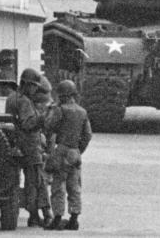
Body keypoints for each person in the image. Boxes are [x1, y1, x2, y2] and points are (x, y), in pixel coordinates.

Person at [43, 79, 92, 231]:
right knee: (74, 186)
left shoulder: (60, 110)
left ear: (62, 95)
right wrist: (78, 150)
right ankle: (74, 218)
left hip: (62, 149)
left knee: (58, 185)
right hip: (75, 152)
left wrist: (50, 111)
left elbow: (49, 126)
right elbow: (88, 134)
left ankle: (57, 218)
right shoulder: (82, 111)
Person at [7, 68, 49, 227]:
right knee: (36, 182)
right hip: (30, 146)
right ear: (26, 84)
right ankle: (36, 215)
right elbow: (28, 124)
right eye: (34, 86)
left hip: (17, 144)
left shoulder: (11, 98)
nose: (35, 90)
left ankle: (35, 214)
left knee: (26, 182)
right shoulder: (24, 100)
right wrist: (43, 117)